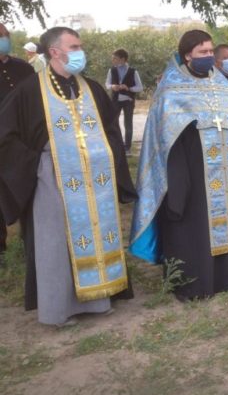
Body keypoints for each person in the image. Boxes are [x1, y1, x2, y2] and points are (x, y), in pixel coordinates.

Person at [0, 27, 135, 325]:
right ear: (55, 52)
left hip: (95, 179)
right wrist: (35, 164)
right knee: (55, 242)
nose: (80, 52)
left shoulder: (91, 88)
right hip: (52, 177)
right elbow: (5, 135)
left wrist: (108, 156)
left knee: (99, 234)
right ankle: (59, 310)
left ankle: (100, 299)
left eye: (80, 46)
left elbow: (112, 129)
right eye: (74, 46)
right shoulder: (29, 90)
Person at [130, 30, 228, 301]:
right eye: (202, 52)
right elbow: (164, 137)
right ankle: (195, 284)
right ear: (187, 54)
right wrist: (178, 181)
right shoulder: (171, 88)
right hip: (191, 171)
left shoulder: (222, 84)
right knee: (195, 224)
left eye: (211, 52)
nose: (209, 57)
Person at [0, 23, 36, 254]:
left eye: (4, 35)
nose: (3, 39)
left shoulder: (23, 67)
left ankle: (30, 241)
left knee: (27, 190)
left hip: (23, 142)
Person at [105, 48, 142, 154]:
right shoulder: (111, 70)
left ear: (123, 59)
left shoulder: (133, 71)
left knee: (128, 124)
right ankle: (116, 145)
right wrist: (113, 86)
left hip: (128, 101)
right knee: (113, 123)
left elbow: (140, 87)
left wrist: (129, 88)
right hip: (115, 100)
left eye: (115, 58)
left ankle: (127, 148)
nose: (113, 60)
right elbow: (107, 84)